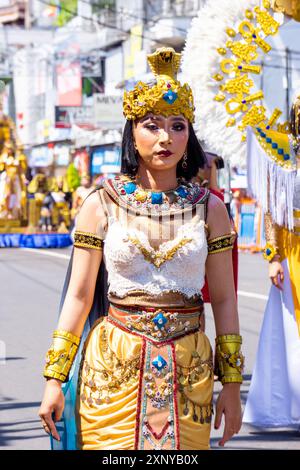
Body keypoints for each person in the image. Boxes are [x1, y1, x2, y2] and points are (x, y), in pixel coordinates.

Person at [39, 47, 243, 450]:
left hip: (190, 368)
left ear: (191, 134)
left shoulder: (211, 208)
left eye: (178, 125)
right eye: (152, 125)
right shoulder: (101, 203)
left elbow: (223, 298)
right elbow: (79, 296)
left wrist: (232, 385)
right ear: (132, 132)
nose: (166, 137)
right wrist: (54, 379)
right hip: (112, 369)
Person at [243, 93, 300, 428]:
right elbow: (272, 211)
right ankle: (290, 405)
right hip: (293, 253)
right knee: (292, 327)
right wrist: (273, 257)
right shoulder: (285, 158)